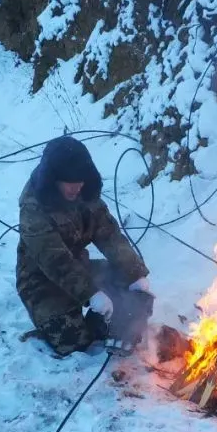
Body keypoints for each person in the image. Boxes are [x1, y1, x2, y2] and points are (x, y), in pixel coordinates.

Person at [15, 135, 153, 357]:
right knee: (73, 342)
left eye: (80, 181)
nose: (76, 188)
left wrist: (135, 274)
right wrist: (92, 293)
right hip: (40, 280)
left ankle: (115, 318)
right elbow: (55, 262)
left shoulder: (84, 192)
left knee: (128, 283)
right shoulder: (33, 208)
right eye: (69, 182)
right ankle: (93, 321)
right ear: (53, 179)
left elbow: (109, 236)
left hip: (79, 265)